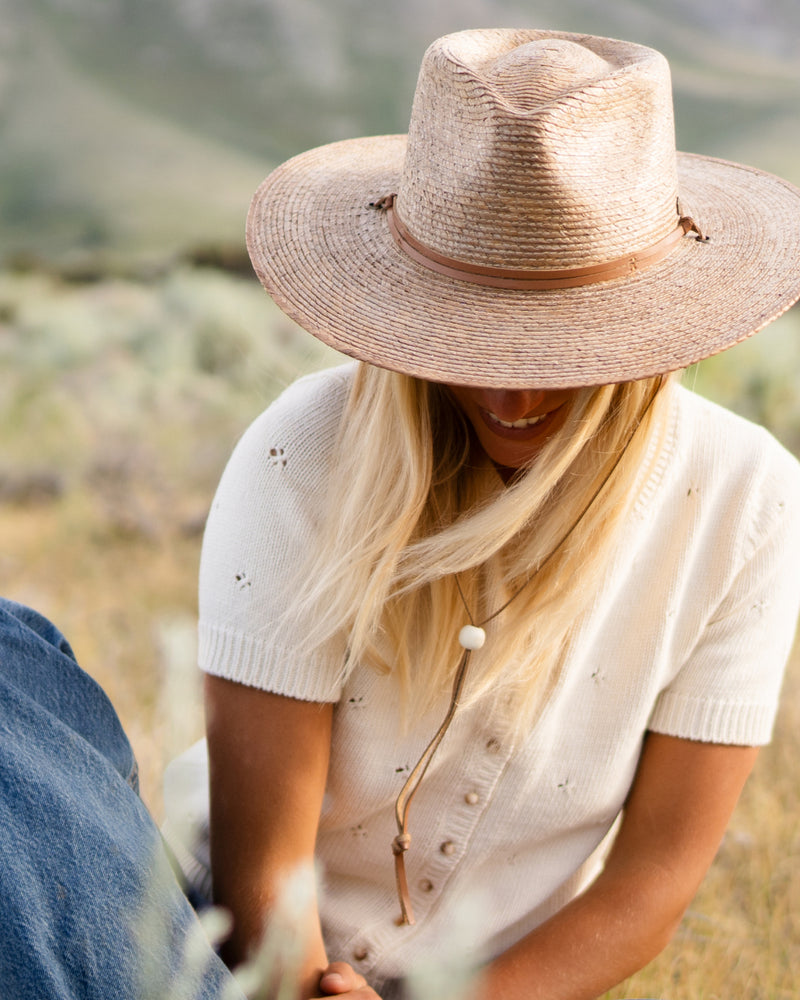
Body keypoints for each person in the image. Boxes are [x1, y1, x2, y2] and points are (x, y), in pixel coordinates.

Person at [3, 27, 800, 1000]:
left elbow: (650, 885)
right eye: (468, 334)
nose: (509, 399)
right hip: (207, 953)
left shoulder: (747, 502)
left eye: (557, 348)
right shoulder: (305, 447)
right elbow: (264, 873)